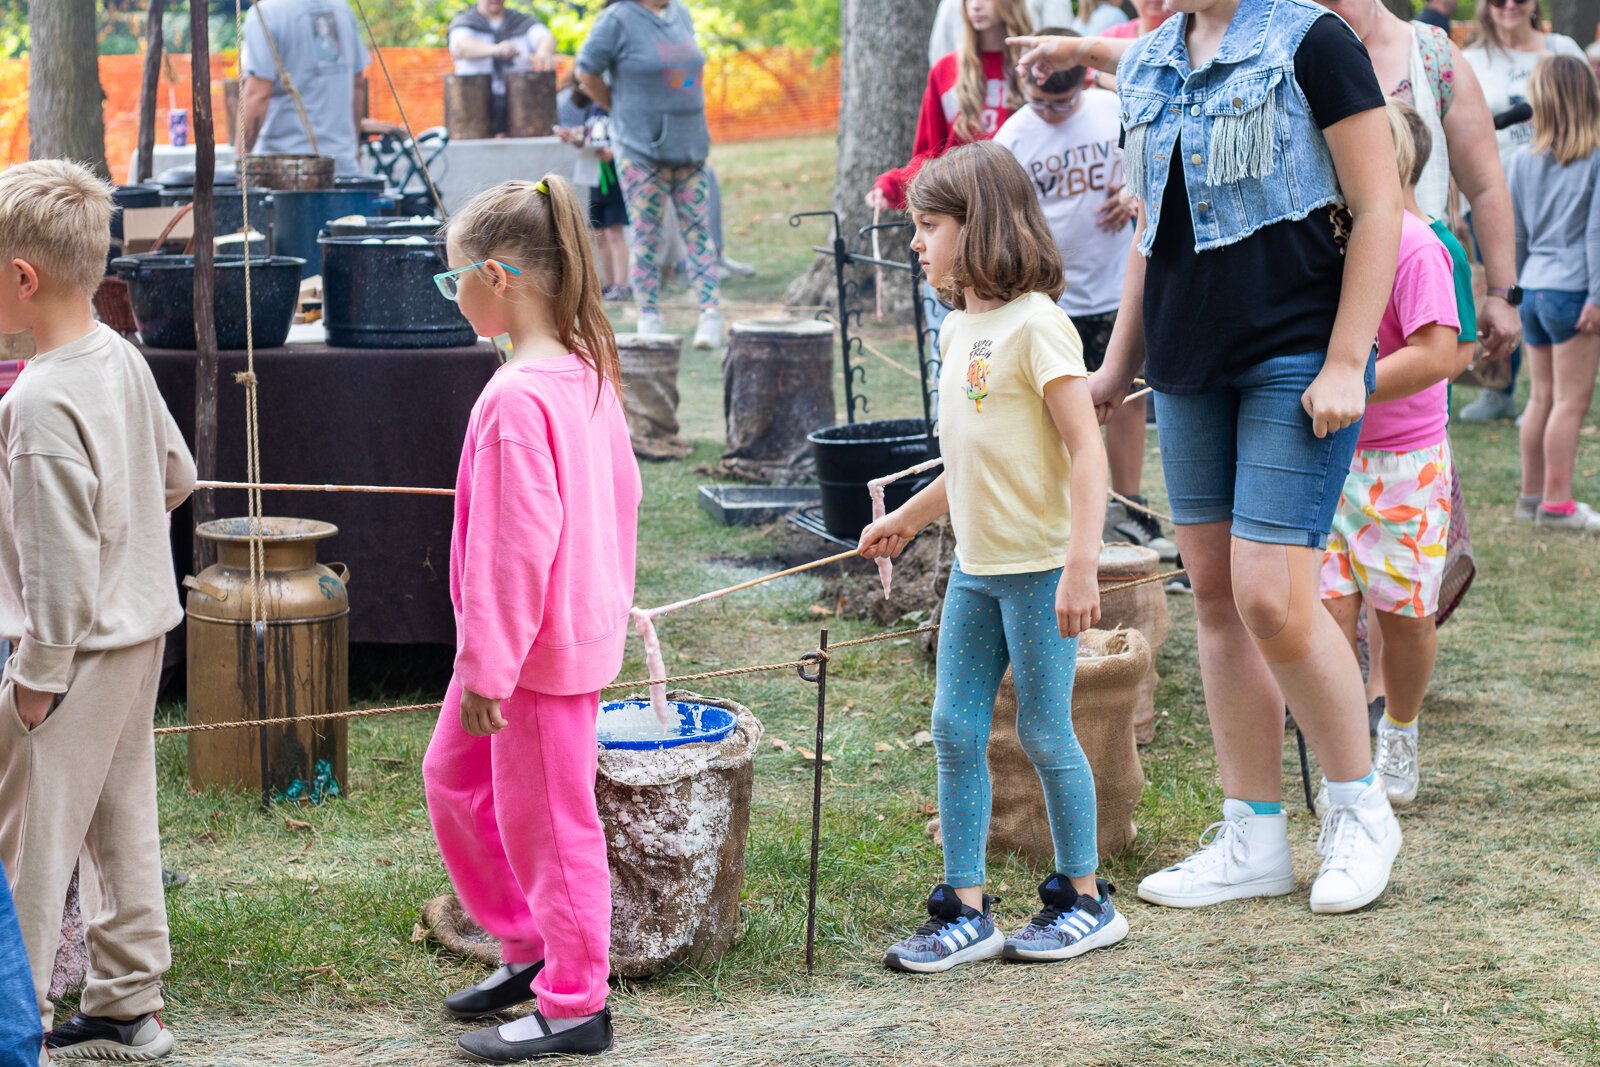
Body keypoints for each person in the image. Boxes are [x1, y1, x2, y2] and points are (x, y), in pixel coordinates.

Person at [1020, 0, 1407, 914]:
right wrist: (1116, 364)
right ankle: (1254, 834)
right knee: (1221, 600)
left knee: (1273, 594)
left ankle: (1358, 809)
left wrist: (1350, 357)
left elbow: (1380, 199)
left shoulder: (1315, 41)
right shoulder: (1153, 60)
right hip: (1189, 363)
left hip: (1300, 354)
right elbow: (1152, 229)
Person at [861, 141, 1123, 973]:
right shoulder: (958, 328)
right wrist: (907, 514)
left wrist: (1082, 564)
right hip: (976, 568)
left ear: (981, 227)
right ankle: (965, 909)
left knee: (1045, 729)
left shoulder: (1039, 325)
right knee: (953, 726)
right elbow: (970, 457)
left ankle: (1086, 898)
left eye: (929, 226)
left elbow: (1088, 451)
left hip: (1044, 568)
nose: (916, 242)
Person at [422, 175, 640, 1063]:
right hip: (525, 647)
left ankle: (577, 1001)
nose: (454, 296)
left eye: (455, 280)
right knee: (456, 779)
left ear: (501, 277)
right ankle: (529, 943)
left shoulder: (521, 396)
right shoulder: (573, 369)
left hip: (532, 659)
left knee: (554, 826)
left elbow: (514, 547)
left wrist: (490, 666)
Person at [0, 159, 196, 1059]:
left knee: (32, 845)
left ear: (23, 278)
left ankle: (13, 1027)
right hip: (141, 632)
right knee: (122, 821)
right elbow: (177, 476)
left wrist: (37, 681)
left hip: (67, 659)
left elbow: (60, 569)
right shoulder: (119, 351)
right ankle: (129, 1003)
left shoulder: (36, 401)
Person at [1320, 100, 1468, 810]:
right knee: (1325, 610)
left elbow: (1440, 352)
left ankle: (1399, 727)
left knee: (1406, 616)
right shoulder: (1321, 244)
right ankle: (1347, 752)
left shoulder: (1415, 246)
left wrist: (1355, 379)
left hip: (1402, 466)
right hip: (1326, 453)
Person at [991, 32, 1175, 559]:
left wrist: (1129, 192)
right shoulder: (1013, 139)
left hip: (1119, 282)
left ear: (1087, 80)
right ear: (1023, 82)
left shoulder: (1109, 108)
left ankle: (1132, 506)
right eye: (1042, 103)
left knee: (1129, 397)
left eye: (1064, 102)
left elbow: (1153, 164)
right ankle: (1075, 518)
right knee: (1065, 406)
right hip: (1055, 300)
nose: (1053, 112)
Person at [1460, 0, 1586, 422]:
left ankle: (1549, 395)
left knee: (1544, 285)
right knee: (1501, 288)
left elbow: (1587, 107)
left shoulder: (1561, 47)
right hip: (1493, 193)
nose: (1510, 6)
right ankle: (1500, 387)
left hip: (1558, 191)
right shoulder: (1471, 59)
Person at [575, 0, 725, 349]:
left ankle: (710, 314)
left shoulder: (680, 14)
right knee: (646, 235)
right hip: (641, 152)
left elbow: (681, 73)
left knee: (699, 232)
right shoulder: (617, 19)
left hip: (690, 148)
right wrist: (619, 109)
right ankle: (650, 316)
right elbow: (586, 71)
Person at [1508, 55, 1600, 529]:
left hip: (1536, 289)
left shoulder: (1522, 161)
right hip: (1574, 292)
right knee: (1569, 402)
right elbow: (1595, 234)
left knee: (1540, 398)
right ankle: (1558, 504)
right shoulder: (1596, 158)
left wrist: (1514, 296)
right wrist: (1597, 298)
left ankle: (1531, 496)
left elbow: (1517, 236)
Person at [240, 0, 371, 176]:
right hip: (342, 165)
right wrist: (353, 149)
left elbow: (258, 94)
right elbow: (358, 85)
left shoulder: (266, 13)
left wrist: (240, 160)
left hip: (285, 171)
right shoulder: (342, 9)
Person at [555, 79, 631, 301]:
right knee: (599, 232)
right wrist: (573, 139)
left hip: (615, 180)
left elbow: (627, 141)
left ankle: (621, 284)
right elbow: (589, 139)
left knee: (615, 232)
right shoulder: (591, 109)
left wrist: (613, 153)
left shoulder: (616, 107)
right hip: (596, 178)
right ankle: (608, 283)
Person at [448, 0, 557, 136]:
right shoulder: (465, 22)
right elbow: (461, 47)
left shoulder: (521, 22)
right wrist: (496, 49)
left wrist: (544, 51)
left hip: (521, 109)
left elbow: (545, 37)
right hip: (475, 110)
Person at [929, 0, 1074, 65]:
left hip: (1028, 71)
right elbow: (940, 52)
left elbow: (1062, 46)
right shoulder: (952, 5)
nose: (975, 6)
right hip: (967, 83)